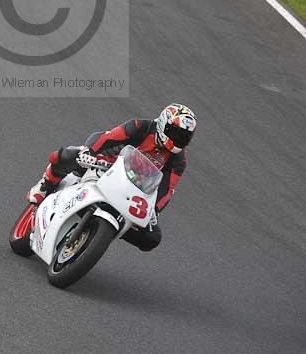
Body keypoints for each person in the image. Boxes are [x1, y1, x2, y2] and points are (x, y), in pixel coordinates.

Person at [27, 103, 197, 252]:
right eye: (174, 133)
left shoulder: (178, 160)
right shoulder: (140, 126)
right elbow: (111, 137)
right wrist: (91, 153)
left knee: (153, 238)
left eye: (183, 137)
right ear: (163, 124)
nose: (177, 140)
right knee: (67, 155)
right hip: (105, 161)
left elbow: (167, 189)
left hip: (134, 186)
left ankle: (111, 230)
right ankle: (44, 186)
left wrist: (154, 211)